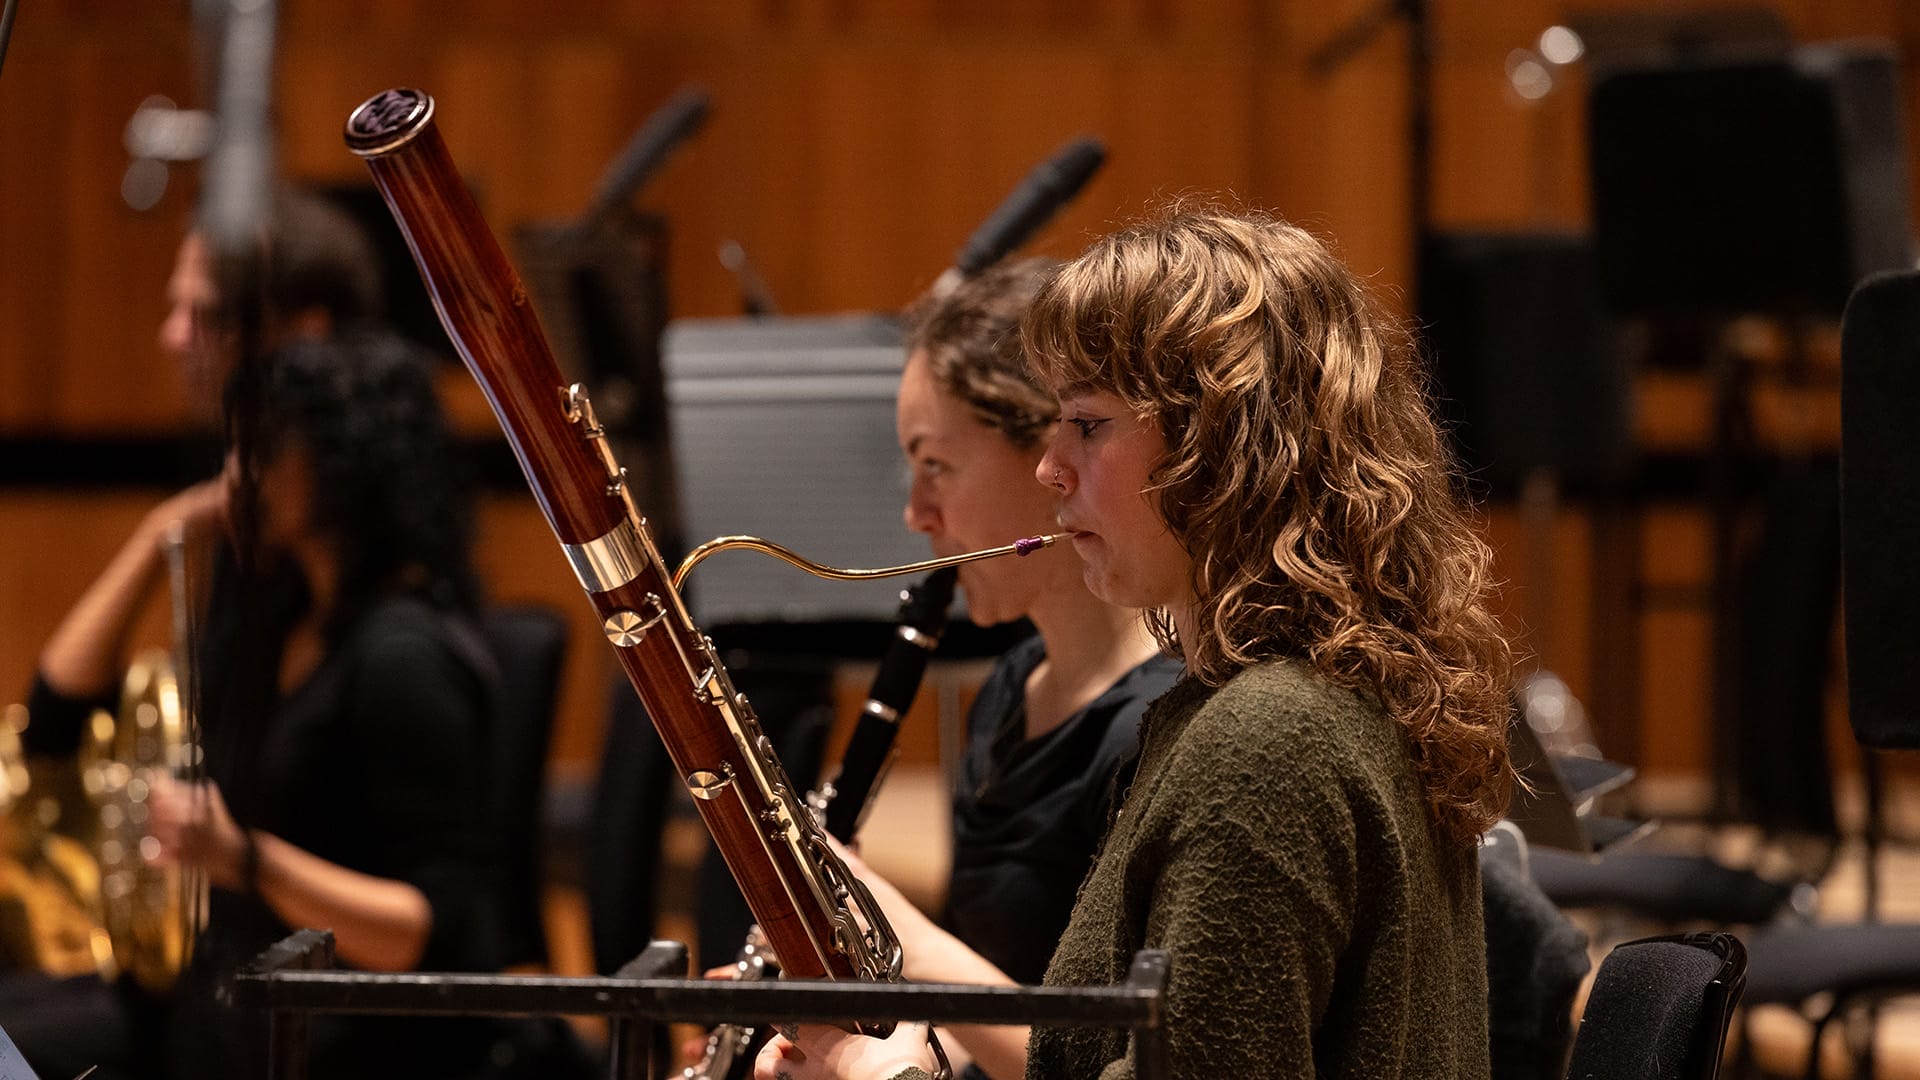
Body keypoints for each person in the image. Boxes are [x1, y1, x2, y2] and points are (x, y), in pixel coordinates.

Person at [754, 204, 1515, 1079]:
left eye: (1086, 425)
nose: (1051, 469)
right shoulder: (1264, 707)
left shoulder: (1270, 741)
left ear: (1220, 445)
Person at [872, 258, 1181, 1078]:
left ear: (1042, 443)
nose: (917, 513)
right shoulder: (1010, 689)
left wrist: (893, 931)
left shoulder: (1161, 728)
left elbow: (1110, 1061)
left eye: (935, 464)